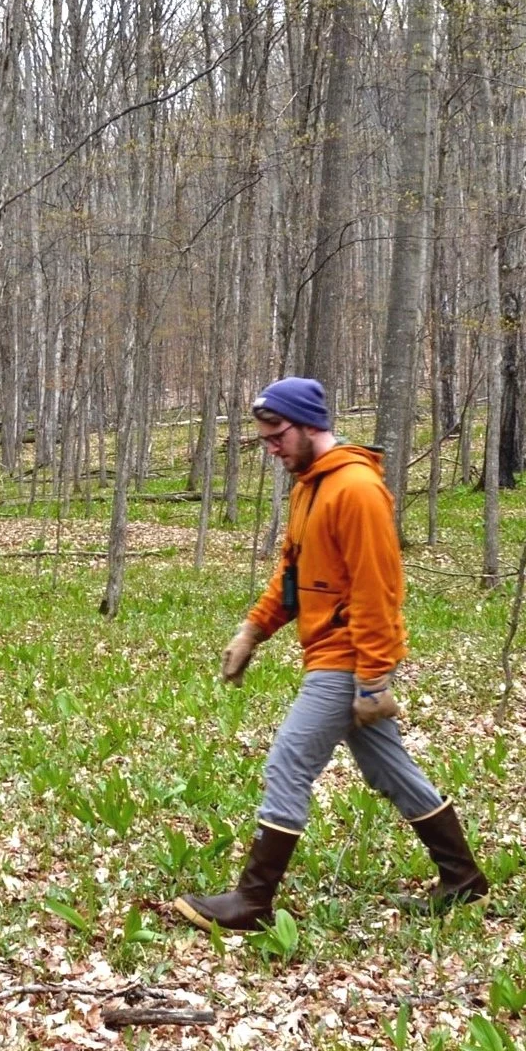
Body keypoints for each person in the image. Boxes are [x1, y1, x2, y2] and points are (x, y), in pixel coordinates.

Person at [170, 376, 489, 934]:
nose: (269, 447)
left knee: (288, 762)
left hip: (346, 659)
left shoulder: (356, 490)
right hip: (329, 653)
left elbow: (379, 591)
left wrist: (372, 681)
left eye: (276, 435)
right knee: (389, 768)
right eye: (264, 437)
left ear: (308, 426)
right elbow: (292, 574)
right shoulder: (309, 486)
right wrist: (253, 631)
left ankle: (253, 902)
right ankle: (463, 878)